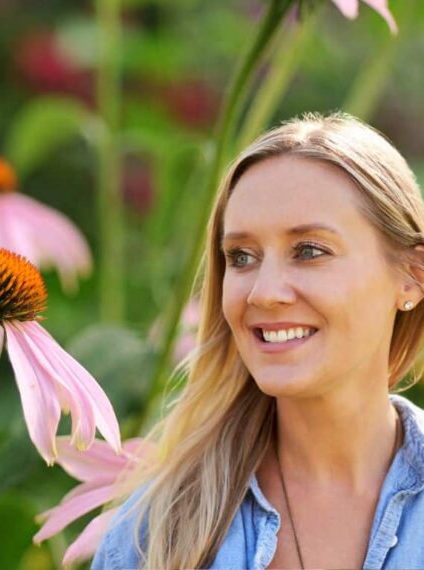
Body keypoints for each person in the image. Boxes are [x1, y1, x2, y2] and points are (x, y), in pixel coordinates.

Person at [92, 113, 424, 569]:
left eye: (309, 251)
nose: (264, 292)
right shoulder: (153, 534)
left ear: (412, 276)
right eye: (241, 257)